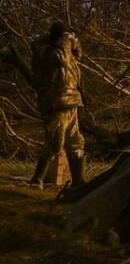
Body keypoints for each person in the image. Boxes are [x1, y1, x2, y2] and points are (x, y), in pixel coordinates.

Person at [29, 22, 86, 187]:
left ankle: (78, 181)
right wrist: (65, 40)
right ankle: (37, 179)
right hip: (56, 104)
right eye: (64, 37)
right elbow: (60, 57)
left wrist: (74, 40)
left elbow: (78, 54)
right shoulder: (47, 54)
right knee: (54, 143)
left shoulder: (69, 55)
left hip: (70, 102)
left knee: (76, 143)